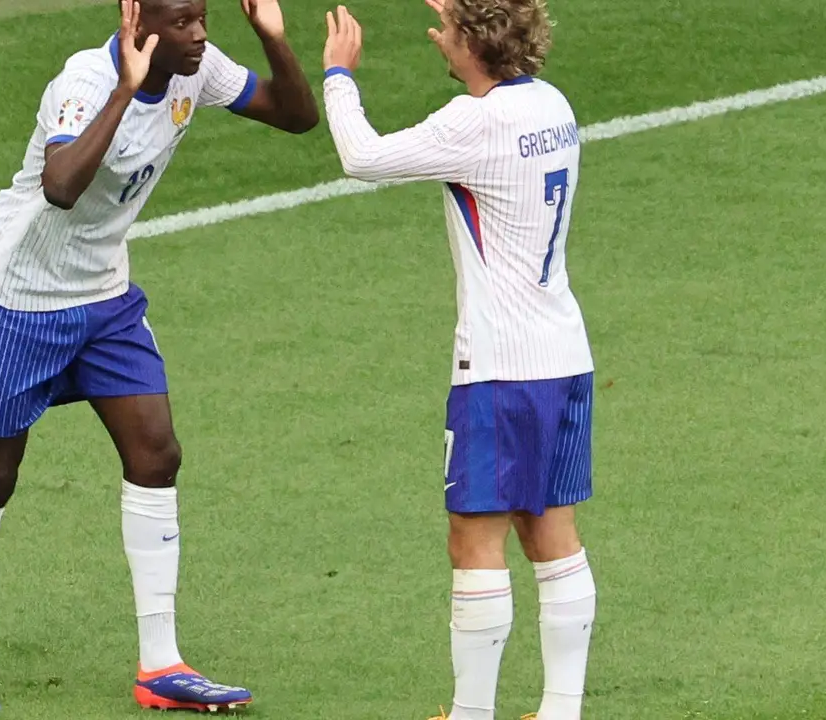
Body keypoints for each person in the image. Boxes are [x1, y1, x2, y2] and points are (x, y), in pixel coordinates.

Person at [0, 0, 317, 712]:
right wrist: (125, 91)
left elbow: (296, 117)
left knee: (156, 454)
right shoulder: (81, 83)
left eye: (204, 16)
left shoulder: (198, 67)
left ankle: (160, 665)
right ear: (138, 20)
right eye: (183, 20)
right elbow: (61, 186)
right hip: (18, 295)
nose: (200, 33)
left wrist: (272, 38)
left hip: (103, 294)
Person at [320, 2, 596, 719]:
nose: (435, 32)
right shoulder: (553, 106)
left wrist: (338, 75)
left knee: (474, 537)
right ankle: (563, 709)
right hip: (564, 355)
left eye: (447, 25)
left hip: (500, 368)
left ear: (474, 39)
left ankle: (472, 714)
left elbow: (361, 157)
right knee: (551, 532)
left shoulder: (474, 123)